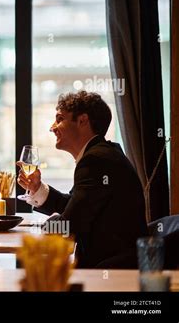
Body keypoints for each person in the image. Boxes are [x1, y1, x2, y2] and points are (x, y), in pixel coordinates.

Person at [17, 90, 148, 268]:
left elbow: (69, 227)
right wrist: (37, 188)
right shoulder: (102, 154)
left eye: (59, 119)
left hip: (110, 270)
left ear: (82, 121)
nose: (52, 127)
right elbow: (77, 207)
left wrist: (39, 229)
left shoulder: (96, 160)